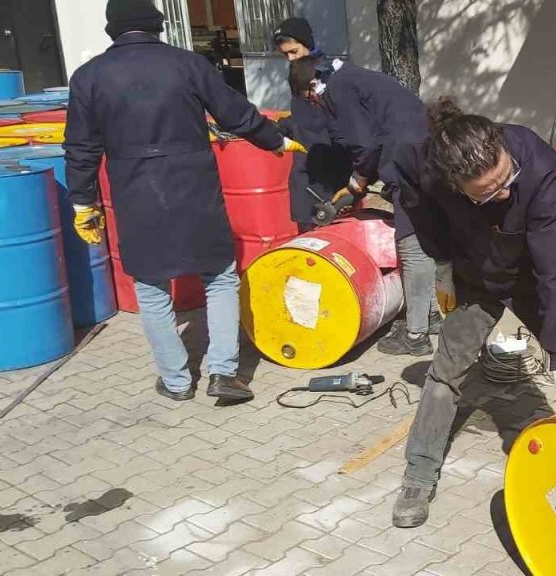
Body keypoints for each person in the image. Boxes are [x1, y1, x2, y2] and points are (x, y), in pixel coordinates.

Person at [389, 98, 556, 528]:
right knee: (446, 372)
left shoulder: (541, 168)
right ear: (455, 185)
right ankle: (419, 473)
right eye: (489, 192)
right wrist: (443, 264)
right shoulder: (426, 165)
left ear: (502, 146)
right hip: (477, 273)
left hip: (540, 273)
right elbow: (412, 195)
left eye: (507, 177)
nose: (506, 192)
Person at [64, 0, 300, 402]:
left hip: (136, 193)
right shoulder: (188, 64)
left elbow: (81, 147)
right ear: (157, 25)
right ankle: (224, 373)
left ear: (112, 29)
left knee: (151, 287)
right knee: (219, 276)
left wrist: (83, 202)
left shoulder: (89, 76)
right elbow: (235, 114)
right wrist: (274, 140)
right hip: (194, 188)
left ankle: (176, 382)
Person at [288, 55, 441, 355]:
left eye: (308, 97)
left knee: (411, 245)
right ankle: (430, 315)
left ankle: (416, 336)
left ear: (313, 85)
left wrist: (357, 181)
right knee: (421, 239)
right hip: (420, 152)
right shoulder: (354, 77)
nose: (313, 104)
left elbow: (366, 144)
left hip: (405, 160)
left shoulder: (338, 89)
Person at [272, 17, 352, 234]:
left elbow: (331, 123)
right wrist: (282, 127)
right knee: (308, 239)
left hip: (332, 173)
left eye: (294, 51)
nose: (290, 58)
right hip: (305, 172)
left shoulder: (331, 74)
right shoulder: (297, 72)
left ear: (307, 43)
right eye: (285, 55)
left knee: (338, 237)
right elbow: (302, 118)